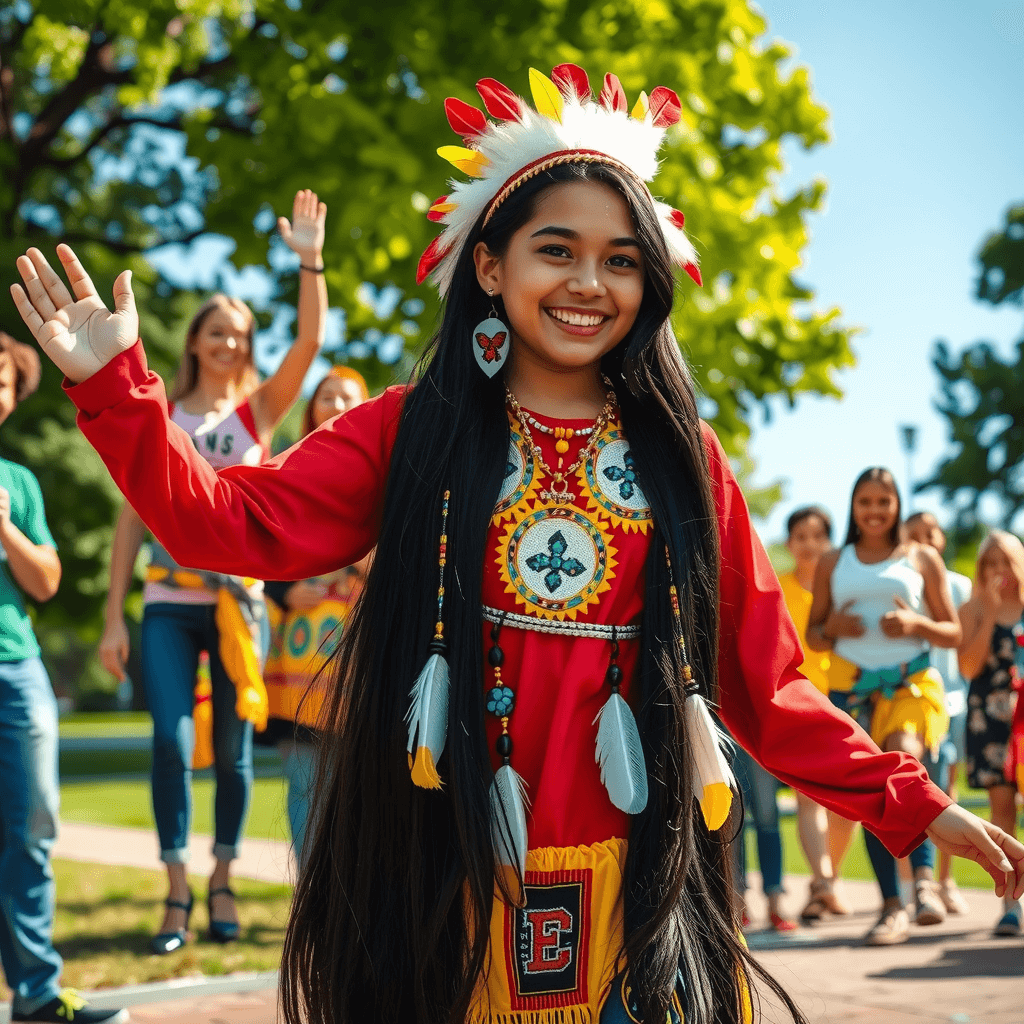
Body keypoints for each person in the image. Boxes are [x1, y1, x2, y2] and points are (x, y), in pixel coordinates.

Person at [11, 65, 1023, 1024]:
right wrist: (119, 389)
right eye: (557, 249)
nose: (590, 281)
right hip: (446, 872)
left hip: (640, 882)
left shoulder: (684, 458)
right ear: (488, 266)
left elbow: (765, 682)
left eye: (620, 259)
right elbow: (228, 522)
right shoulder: (414, 429)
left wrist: (911, 802)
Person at [94, 189, 329, 954]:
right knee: (168, 738)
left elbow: (307, 349)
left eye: (242, 334)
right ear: (195, 341)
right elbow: (134, 517)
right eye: (219, 332)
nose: (232, 343)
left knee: (231, 752)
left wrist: (309, 262)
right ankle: (174, 890)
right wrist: (110, 618)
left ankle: (222, 880)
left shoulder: (256, 415)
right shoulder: (163, 417)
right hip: (166, 605)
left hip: (240, 609)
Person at [0, 333, 126, 1023]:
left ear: (13, 397)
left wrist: (6, 531)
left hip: (16, 667)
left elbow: (46, 581)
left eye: (1, 382)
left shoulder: (18, 483)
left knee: (32, 825)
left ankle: (38, 997)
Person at [806, 468, 961, 946]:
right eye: (865, 502)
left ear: (897, 505)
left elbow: (953, 632)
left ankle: (926, 885)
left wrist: (916, 623)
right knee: (875, 793)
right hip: (852, 692)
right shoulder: (835, 560)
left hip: (911, 684)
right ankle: (891, 905)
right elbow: (813, 633)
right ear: (854, 507)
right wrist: (835, 627)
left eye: (884, 502)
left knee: (905, 764)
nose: (875, 511)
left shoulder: (921, 557)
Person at [261, 365, 370, 863]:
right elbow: (264, 549)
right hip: (301, 661)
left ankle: (350, 908)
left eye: (348, 396)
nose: (335, 404)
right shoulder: (289, 471)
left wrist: (353, 553)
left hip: (360, 653)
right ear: (311, 408)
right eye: (326, 396)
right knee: (305, 785)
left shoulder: (384, 475)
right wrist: (284, 592)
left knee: (358, 795)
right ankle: (311, 901)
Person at [777, 505, 855, 922]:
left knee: (847, 805)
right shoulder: (776, 587)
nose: (809, 544)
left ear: (830, 542)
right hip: (799, 701)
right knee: (809, 799)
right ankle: (824, 881)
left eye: (817, 536)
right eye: (800, 535)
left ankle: (826, 882)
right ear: (789, 543)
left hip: (845, 698)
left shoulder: (845, 587)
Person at [903, 511, 973, 914]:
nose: (925, 539)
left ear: (942, 537)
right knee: (919, 787)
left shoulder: (960, 588)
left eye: (931, 532)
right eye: (915, 534)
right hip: (917, 698)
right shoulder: (906, 583)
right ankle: (916, 880)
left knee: (950, 787)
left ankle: (946, 879)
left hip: (956, 699)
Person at [958, 530, 1024, 937]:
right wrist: (988, 613)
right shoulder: (972, 609)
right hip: (991, 719)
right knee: (1003, 809)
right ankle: (1010, 906)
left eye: (1006, 562)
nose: (999, 571)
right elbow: (968, 667)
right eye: (991, 564)